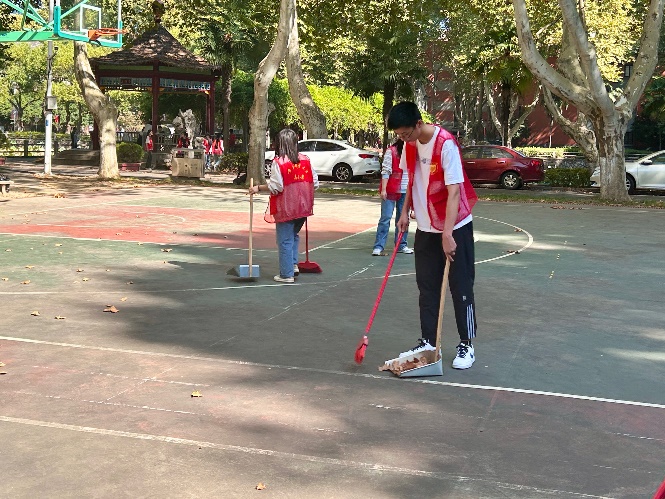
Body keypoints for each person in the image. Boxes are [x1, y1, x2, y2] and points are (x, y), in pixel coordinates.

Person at [388, 101, 479, 370]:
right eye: (399, 135)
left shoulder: (445, 144)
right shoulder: (409, 145)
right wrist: (404, 212)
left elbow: (454, 192)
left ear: (419, 124)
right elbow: (410, 179)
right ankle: (428, 341)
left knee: (461, 287)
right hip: (425, 228)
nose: (403, 139)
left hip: (455, 226)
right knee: (427, 287)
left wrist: (448, 233)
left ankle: (467, 344)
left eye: (406, 133)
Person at [249, 128, 319, 284]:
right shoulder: (305, 160)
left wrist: (259, 188)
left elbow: (276, 187)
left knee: (284, 240)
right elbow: (315, 183)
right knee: (293, 235)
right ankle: (293, 265)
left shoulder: (279, 162)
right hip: (304, 207)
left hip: (287, 207)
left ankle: (286, 274)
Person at [372, 138, 413, 256]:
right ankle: (379, 246)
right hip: (391, 189)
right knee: (385, 218)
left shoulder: (413, 152)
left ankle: (401, 244)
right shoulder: (392, 151)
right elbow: (386, 171)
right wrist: (384, 189)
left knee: (403, 218)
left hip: (406, 190)